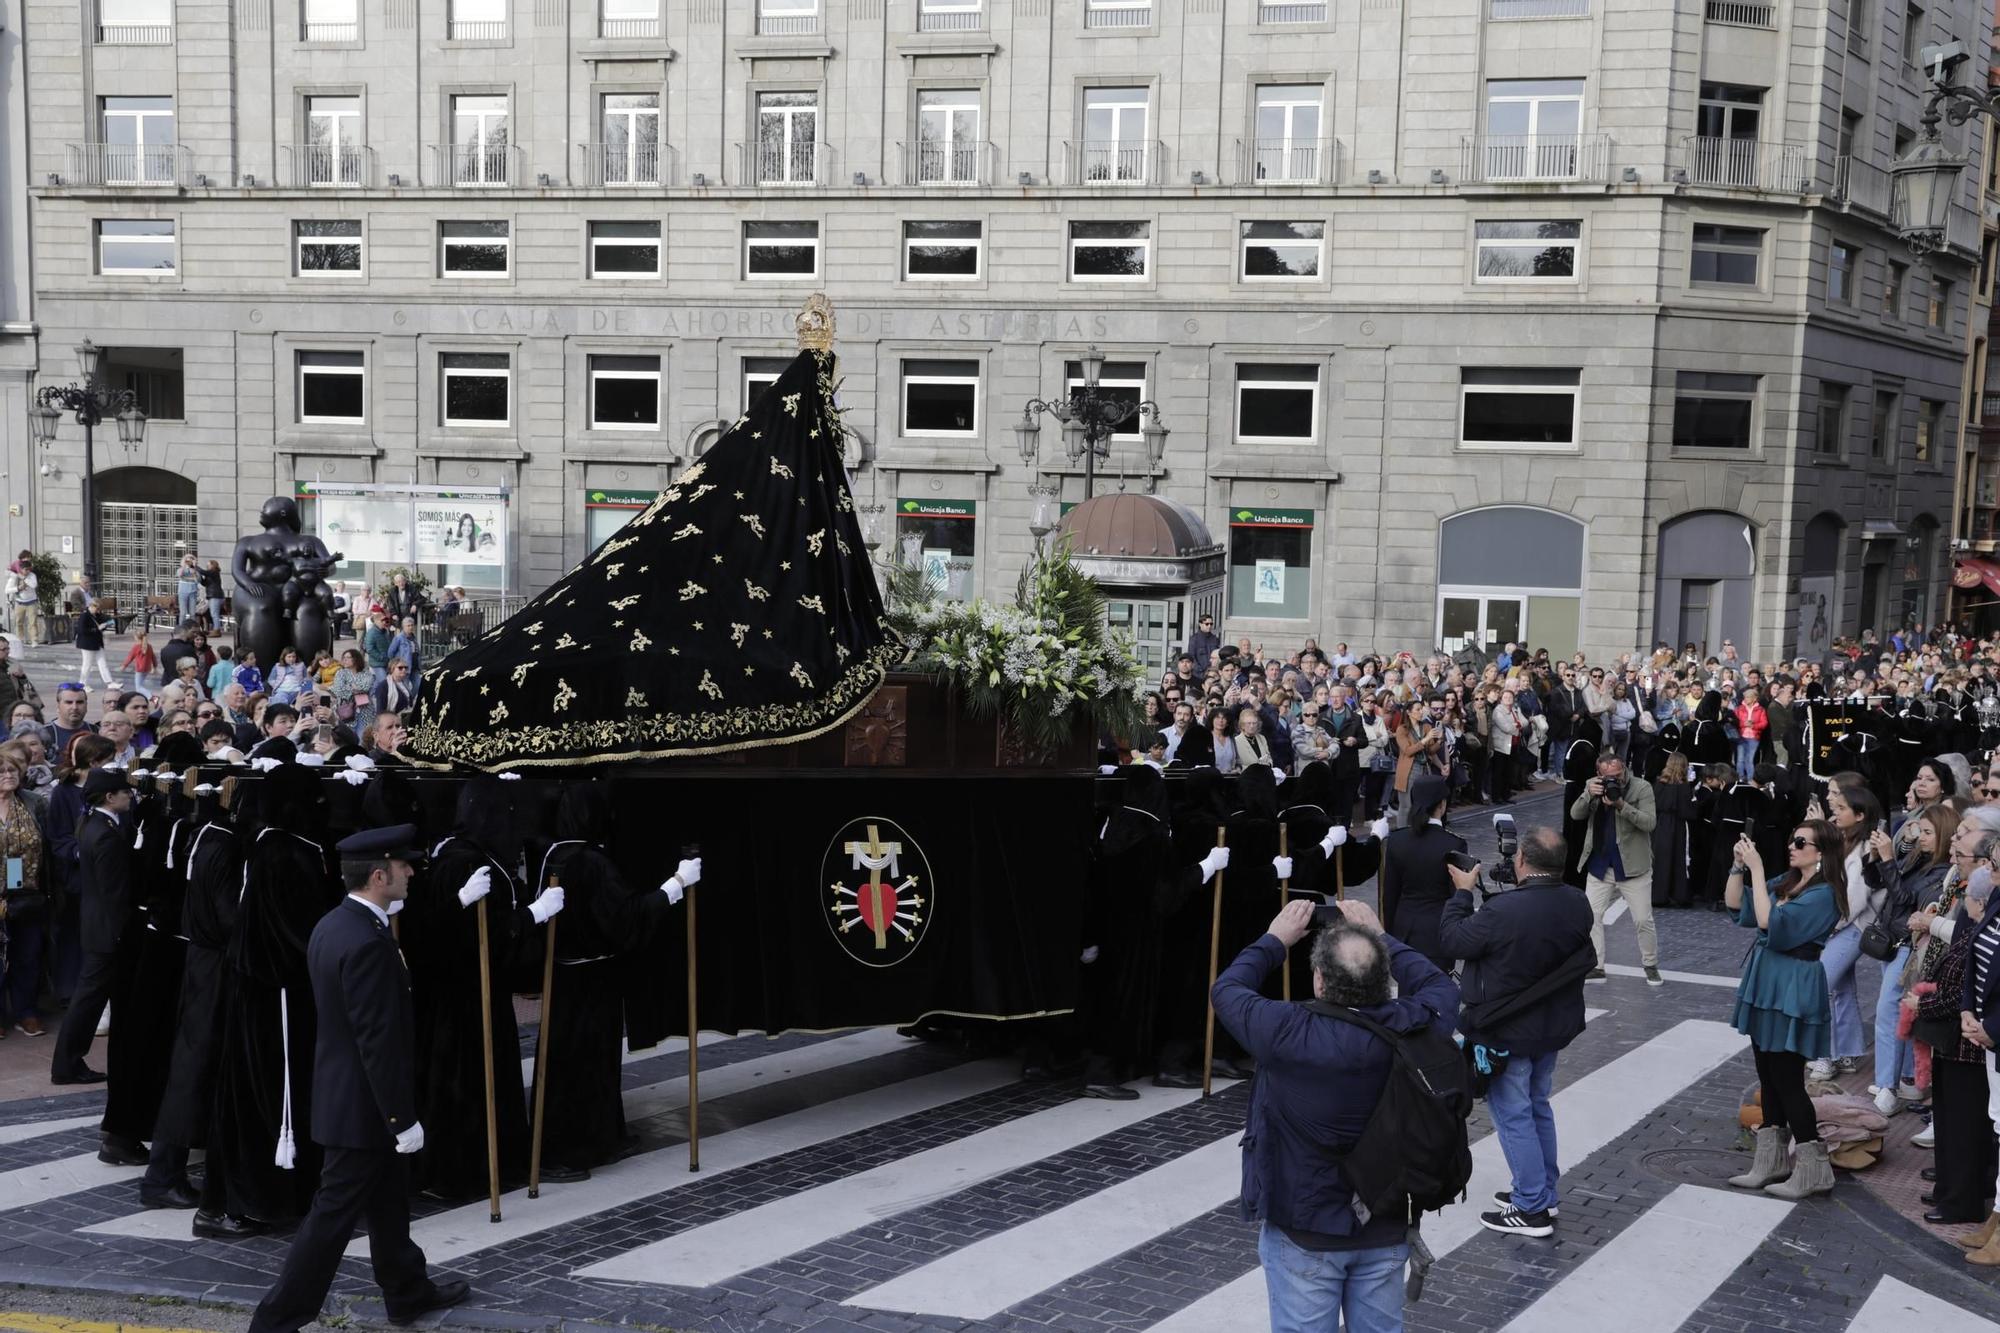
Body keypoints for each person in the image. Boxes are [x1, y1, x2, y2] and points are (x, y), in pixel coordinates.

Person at [243, 823, 471, 1332]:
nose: (411, 872)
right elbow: (377, 1040)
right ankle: (275, 1320)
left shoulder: (338, 924)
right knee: (330, 1220)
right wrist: (401, 1118)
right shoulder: (368, 942)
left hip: (348, 1098)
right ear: (377, 875)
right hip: (364, 1108)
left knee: (389, 1204)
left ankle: (408, 1291)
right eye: (402, 866)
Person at [1211, 895, 1458, 1333]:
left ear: (1320, 981)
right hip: (1384, 1220)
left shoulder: (1285, 1029)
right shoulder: (1414, 1025)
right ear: (1384, 980)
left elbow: (1227, 989)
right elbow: (1441, 987)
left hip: (1306, 1225)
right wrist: (1383, 937)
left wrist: (1275, 939)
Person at [398, 780, 565, 1198]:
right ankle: (459, 1169)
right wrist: (534, 914)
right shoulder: (466, 862)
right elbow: (477, 934)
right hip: (467, 994)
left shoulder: (461, 855)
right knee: (464, 1084)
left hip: (469, 990)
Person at [1440, 827, 1594, 1237]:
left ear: (1522, 860)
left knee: (1514, 1116)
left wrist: (1461, 894)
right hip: (1551, 1025)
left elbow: (1453, 939)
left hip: (1507, 1029)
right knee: (1537, 1105)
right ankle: (1543, 1192)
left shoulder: (1505, 911)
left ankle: (1530, 1207)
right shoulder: (1578, 902)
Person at [1723, 820, 1843, 1200]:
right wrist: (1739, 867)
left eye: (1800, 841)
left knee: (1788, 1078)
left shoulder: (1825, 894)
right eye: (1792, 838)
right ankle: (1771, 1162)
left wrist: (1757, 870)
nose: (1791, 845)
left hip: (1792, 984)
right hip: (1769, 979)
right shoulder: (1791, 881)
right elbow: (1735, 905)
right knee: (1768, 1073)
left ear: (1821, 852)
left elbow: (1768, 921)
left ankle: (1814, 1170)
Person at [1908, 866, 1996, 1228]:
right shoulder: (1971, 929)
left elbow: (1958, 990)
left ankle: (1963, 1200)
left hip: (1968, 1048)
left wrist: (1921, 1006)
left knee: (1964, 1129)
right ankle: (1949, 1190)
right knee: (1948, 1122)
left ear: (1977, 902)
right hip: (1955, 1044)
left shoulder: (1979, 932)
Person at [1863, 805, 1955, 1115]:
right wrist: (1878, 857)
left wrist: (1889, 859)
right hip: (1893, 941)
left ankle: (1886, 1086)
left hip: (1910, 946)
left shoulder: (1944, 872)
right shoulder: (1917, 858)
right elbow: (1879, 883)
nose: (1922, 838)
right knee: (1897, 1012)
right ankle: (1903, 1079)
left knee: (1887, 1011)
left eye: (1929, 833)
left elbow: (1906, 901)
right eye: (1921, 831)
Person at [49, 766, 135, 1088]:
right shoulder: (106, 835)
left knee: (89, 997)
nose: (130, 795)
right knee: (88, 1000)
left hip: (95, 925)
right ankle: (67, 1063)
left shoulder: (91, 823)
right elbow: (115, 892)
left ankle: (68, 1062)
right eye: (125, 792)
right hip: (106, 930)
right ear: (110, 797)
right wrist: (120, 931)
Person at [1806, 775, 1886, 1080]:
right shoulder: (1844, 841)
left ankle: (1824, 1055)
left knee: (1820, 987)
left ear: (1860, 815)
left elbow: (1854, 900)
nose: (1834, 812)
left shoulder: (1865, 849)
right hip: (1845, 925)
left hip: (1852, 927)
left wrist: (1828, 927)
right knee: (1841, 988)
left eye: (1841, 807)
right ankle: (1848, 1053)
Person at [1571, 752, 1661, 985]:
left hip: (1633, 867)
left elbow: (1649, 823)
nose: (1615, 780)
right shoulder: (1593, 786)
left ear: (1625, 768)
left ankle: (1650, 965)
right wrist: (1587, 795)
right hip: (1601, 865)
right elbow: (1575, 815)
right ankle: (1596, 966)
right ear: (1599, 773)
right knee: (1591, 917)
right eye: (1608, 776)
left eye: (1618, 774)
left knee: (1643, 920)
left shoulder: (1641, 788)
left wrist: (1621, 804)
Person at [1375, 773, 1464, 971]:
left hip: (1404, 931)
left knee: (1407, 997)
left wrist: (1389, 934)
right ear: (1442, 804)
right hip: (1438, 933)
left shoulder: (1398, 840)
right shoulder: (1453, 843)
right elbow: (1457, 897)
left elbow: (1389, 895)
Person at [72, 598, 114, 689]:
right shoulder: (85, 616)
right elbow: (81, 630)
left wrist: (107, 624)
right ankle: (83, 684)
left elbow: (107, 619)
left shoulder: (97, 615)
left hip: (97, 643)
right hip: (87, 644)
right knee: (87, 664)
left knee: (103, 663)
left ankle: (109, 682)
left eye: (99, 608)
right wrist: (96, 629)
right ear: (91, 606)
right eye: (96, 608)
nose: (98, 610)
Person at [0, 636, 40, 722]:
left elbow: (27, 688)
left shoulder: (13, 664)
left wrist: (22, 677)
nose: (7, 652)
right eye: (3, 650)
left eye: (8, 648)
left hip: (14, 712)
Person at [6, 556, 38, 646]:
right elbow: (7, 590)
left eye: (29, 569)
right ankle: (20, 639)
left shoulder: (32, 576)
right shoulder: (15, 577)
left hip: (31, 601)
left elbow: (34, 585)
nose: (27, 571)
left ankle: (34, 640)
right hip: (19, 602)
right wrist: (17, 588)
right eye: (25, 569)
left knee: (32, 622)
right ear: (21, 569)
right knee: (19, 622)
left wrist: (25, 579)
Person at [175, 554, 202, 626]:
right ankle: (181, 628)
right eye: (187, 559)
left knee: (192, 613)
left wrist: (194, 570)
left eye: (191, 559)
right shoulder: (181, 569)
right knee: (183, 613)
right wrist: (184, 566)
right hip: (183, 592)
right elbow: (179, 575)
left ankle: (192, 628)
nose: (189, 561)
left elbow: (198, 581)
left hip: (193, 592)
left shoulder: (196, 570)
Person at [200, 559, 225, 630]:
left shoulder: (214, 572)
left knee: (214, 614)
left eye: (208, 564)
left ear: (213, 565)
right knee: (213, 614)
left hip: (215, 596)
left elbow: (203, 572)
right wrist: (200, 577)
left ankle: (216, 630)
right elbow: (204, 583)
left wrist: (194, 566)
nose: (207, 566)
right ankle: (215, 629)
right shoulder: (210, 574)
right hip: (213, 596)